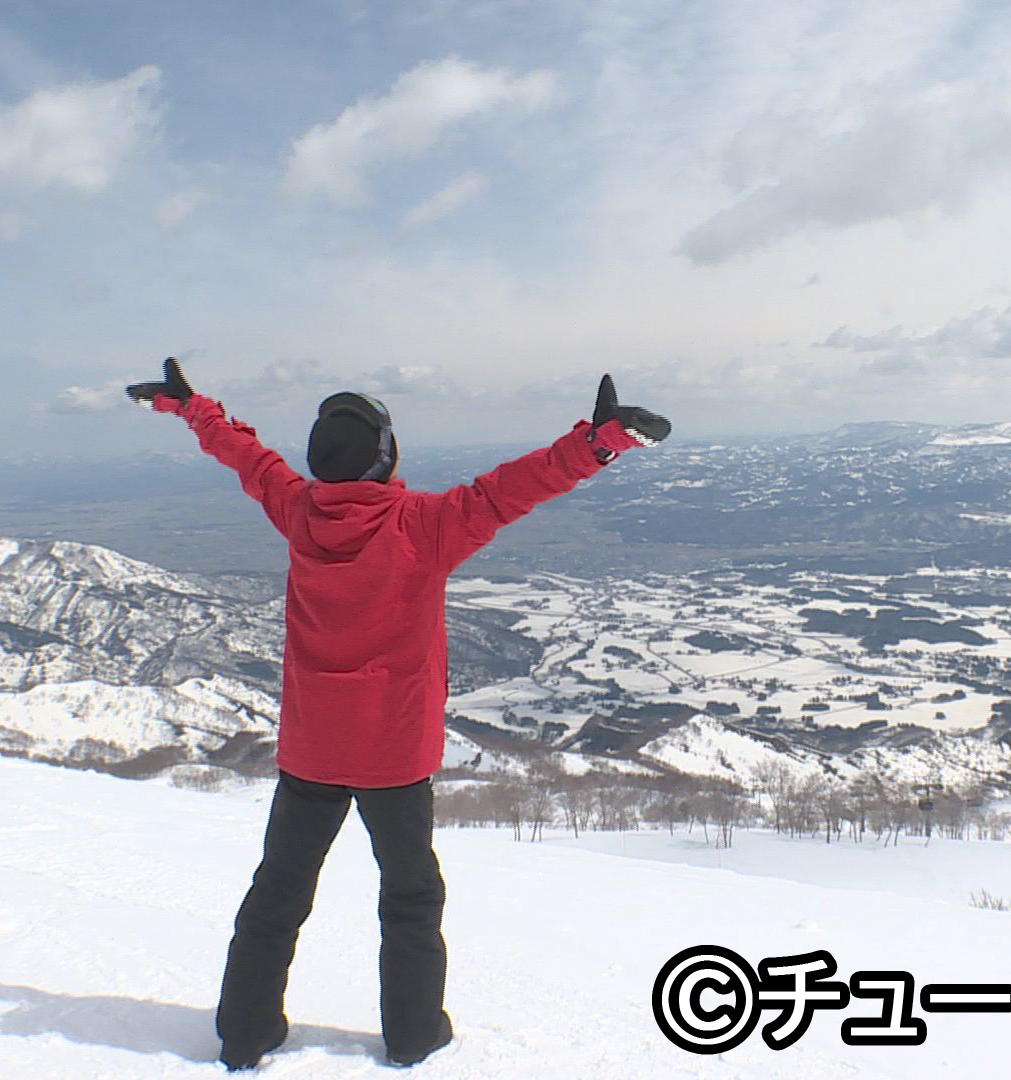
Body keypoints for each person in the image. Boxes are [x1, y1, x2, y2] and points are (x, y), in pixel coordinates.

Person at [124, 359, 670, 1071]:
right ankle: (413, 1035)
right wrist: (600, 442)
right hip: (395, 758)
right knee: (410, 898)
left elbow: (249, 460)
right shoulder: (424, 526)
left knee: (278, 895)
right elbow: (513, 488)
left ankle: (246, 1035)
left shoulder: (301, 513)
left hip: (312, 752)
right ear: (385, 458)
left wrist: (191, 408)